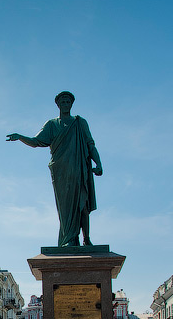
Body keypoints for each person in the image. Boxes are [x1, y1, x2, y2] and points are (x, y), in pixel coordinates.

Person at [7, 91, 103, 247]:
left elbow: (90, 145)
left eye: (68, 101)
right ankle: (70, 239)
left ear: (72, 104)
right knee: (65, 208)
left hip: (79, 169)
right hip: (61, 172)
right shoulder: (52, 125)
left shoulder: (80, 123)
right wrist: (20, 137)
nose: (65, 104)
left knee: (83, 204)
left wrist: (98, 164)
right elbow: (36, 141)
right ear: (58, 105)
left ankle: (86, 239)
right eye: (62, 102)